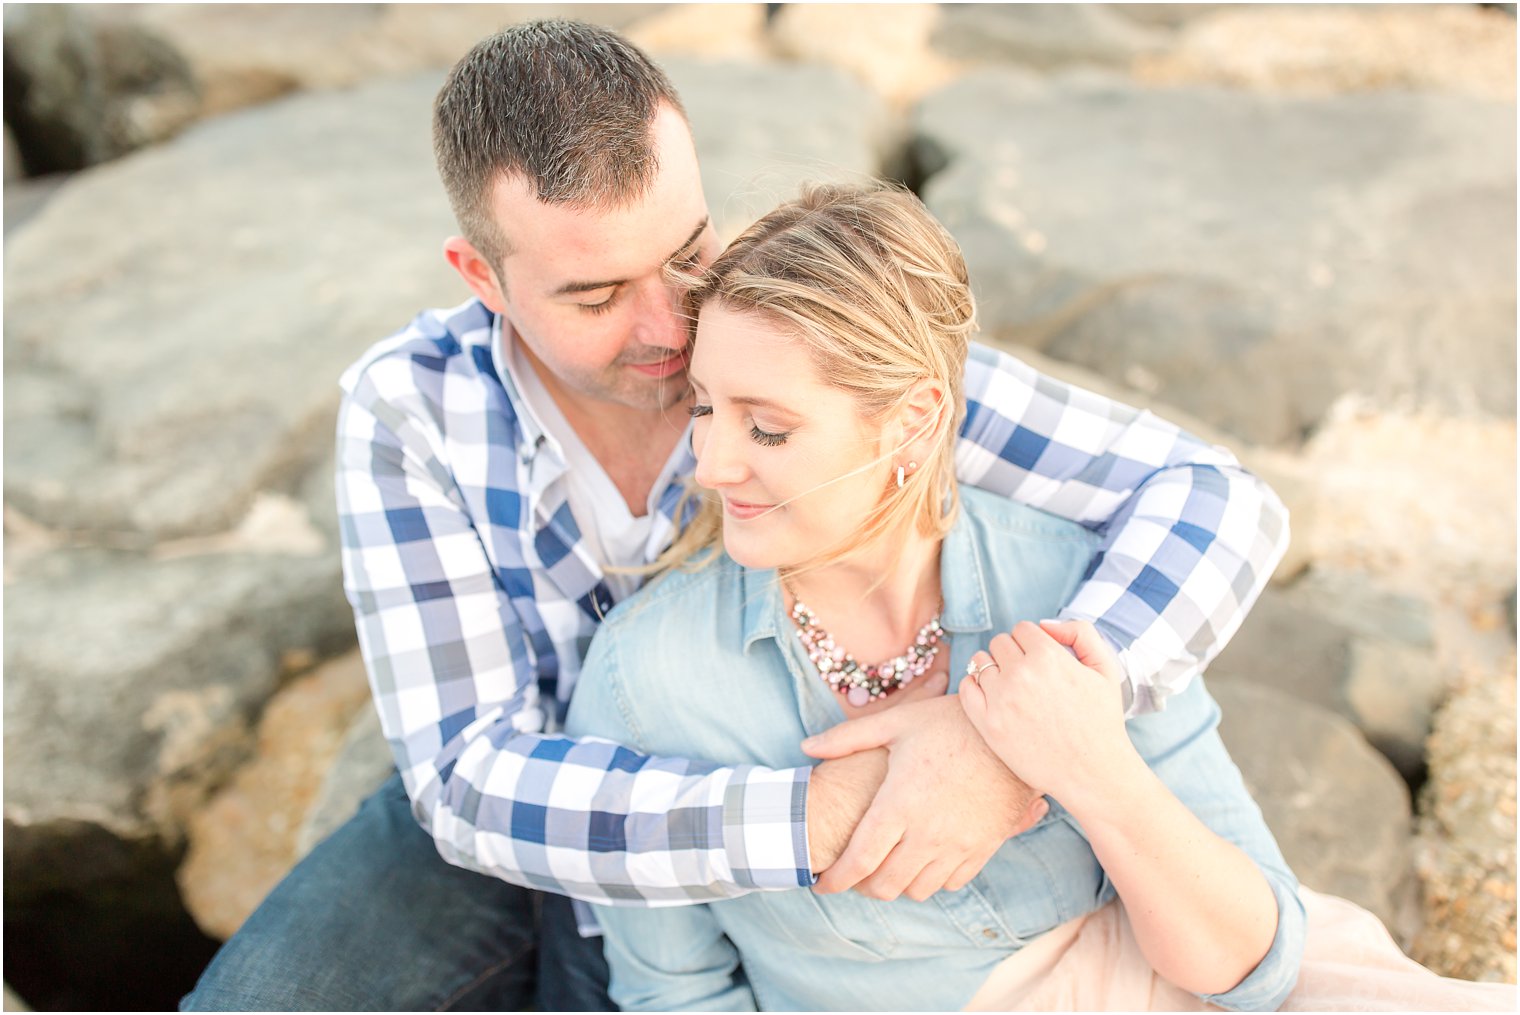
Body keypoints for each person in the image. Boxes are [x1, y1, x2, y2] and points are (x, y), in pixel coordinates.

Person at [182, 20, 1291, 1011]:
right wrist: (812, 815)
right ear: (481, 275)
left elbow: (1210, 500)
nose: (669, 325)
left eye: (684, 252)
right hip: (529, 841)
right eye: (595, 294)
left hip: (758, 903)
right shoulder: (410, 409)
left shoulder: (791, 337)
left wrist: (1016, 735)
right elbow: (466, 777)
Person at [564, 181, 1517, 1013]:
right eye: (702, 406)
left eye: (767, 429)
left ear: (914, 422)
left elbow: (1254, 970)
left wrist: (1077, 758)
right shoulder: (654, 682)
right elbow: (673, 991)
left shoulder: (1070, 583)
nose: (711, 462)